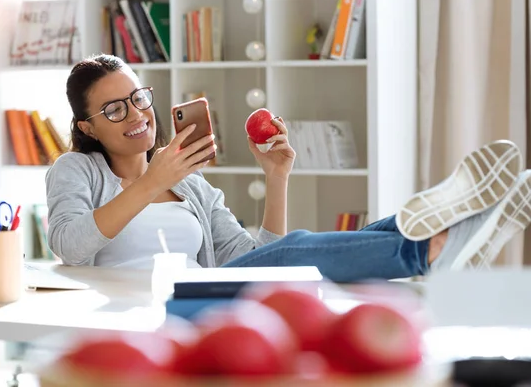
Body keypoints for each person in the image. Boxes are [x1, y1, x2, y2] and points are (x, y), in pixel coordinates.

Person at [46, 54, 531, 283]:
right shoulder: (76, 170)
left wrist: (275, 179)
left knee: (301, 250)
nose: (136, 115)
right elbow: (70, 245)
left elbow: (256, 256)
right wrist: (152, 182)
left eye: (138, 98)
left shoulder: (189, 182)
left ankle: (456, 224)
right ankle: (431, 248)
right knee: (297, 252)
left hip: (212, 291)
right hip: (169, 303)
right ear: (87, 127)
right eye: (114, 110)